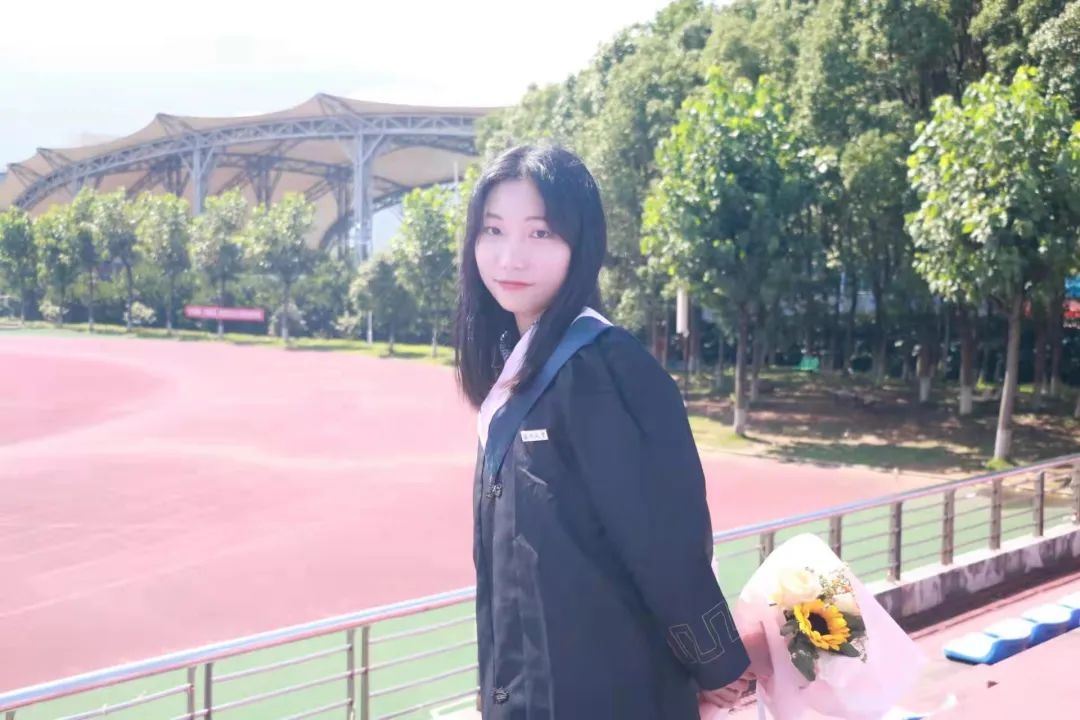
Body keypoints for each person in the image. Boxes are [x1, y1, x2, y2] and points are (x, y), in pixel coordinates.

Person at [453, 144, 769, 719]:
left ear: (582, 243)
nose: (510, 256)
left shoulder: (604, 366)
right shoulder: (514, 368)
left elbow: (661, 537)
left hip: (611, 691)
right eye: (493, 230)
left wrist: (716, 663)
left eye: (541, 233)